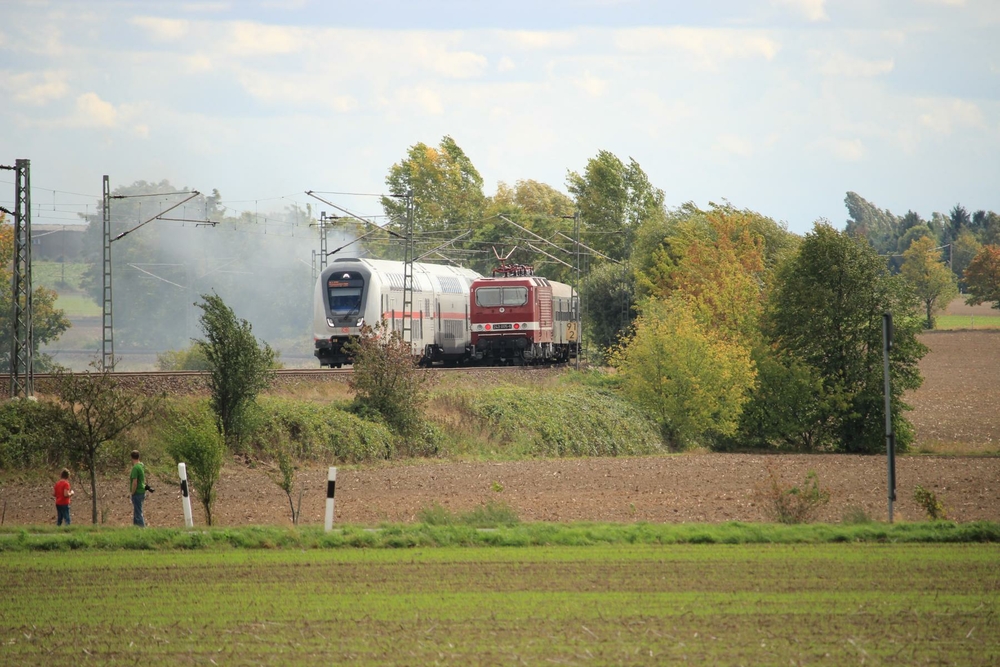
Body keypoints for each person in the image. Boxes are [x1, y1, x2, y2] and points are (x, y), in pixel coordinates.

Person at [129, 450, 147, 527]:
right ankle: (136, 528)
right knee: (136, 512)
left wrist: (132, 493)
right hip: (142, 490)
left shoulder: (135, 468)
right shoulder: (141, 465)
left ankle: (142, 528)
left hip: (137, 492)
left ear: (131, 458)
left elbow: (135, 482)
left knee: (138, 513)